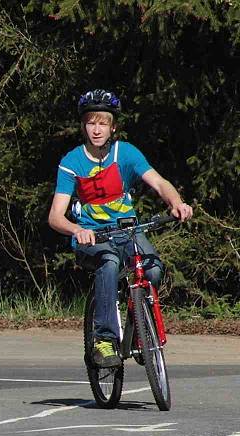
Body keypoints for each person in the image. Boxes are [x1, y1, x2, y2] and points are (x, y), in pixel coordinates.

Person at [48, 89, 193, 368]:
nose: (97, 129)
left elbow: (159, 183)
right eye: (91, 122)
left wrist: (176, 202)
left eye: (103, 123)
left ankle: (138, 322)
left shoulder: (125, 153)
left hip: (127, 229)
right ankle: (104, 339)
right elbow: (55, 216)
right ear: (83, 125)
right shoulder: (71, 162)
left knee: (152, 269)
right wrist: (76, 229)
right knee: (110, 262)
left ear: (113, 126)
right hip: (92, 236)